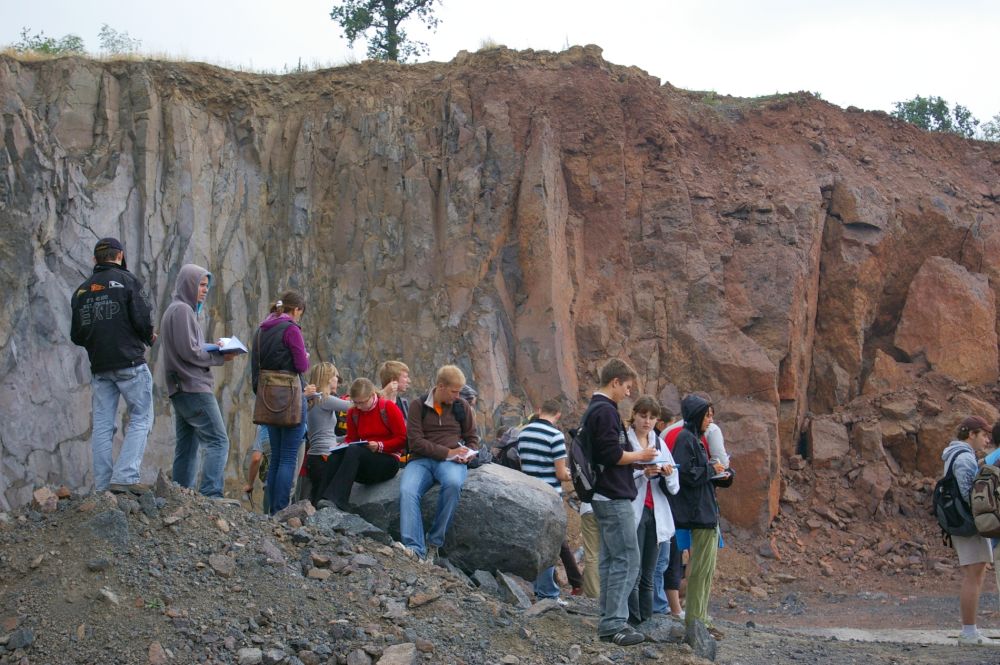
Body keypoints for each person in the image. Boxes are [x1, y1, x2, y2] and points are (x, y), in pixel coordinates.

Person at [70, 237, 156, 494]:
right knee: (142, 417)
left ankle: (102, 485)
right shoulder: (128, 282)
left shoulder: (81, 291)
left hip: (100, 366)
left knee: (103, 426)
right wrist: (148, 336)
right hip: (130, 362)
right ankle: (126, 475)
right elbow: (142, 319)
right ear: (119, 256)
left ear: (95, 260)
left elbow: (76, 335)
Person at [587, 358, 658, 646]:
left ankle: (608, 618)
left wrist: (638, 466)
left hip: (604, 494)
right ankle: (615, 623)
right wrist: (640, 457)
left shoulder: (597, 409)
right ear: (615, 382)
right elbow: (611, 455)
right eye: (627, 387)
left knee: (610, 560)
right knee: (628, 559)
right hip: (614, 496)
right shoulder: (605, 411)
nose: (628, 393)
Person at [160, 263, 238, 498]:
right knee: (218, 441)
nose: (204, 290)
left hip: (180, 388)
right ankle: (211, 495)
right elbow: (190, 352)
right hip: (193, 387)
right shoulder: (183, 310)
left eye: (206, 285)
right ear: (188, 284)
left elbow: (191, 347)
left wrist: (215, 346)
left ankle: (180, 494)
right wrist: (219, 355)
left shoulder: (174, 310)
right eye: (200, 285)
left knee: (188, 445)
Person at [399, 365, 479, 563]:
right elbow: (415, 441)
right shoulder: (418, 406)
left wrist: (468, 454)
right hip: (421, 460)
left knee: (453, 484)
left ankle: (434, 542)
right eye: (454, 391)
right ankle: (414, 548)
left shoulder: (462, 406)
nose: (457, 395)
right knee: (407, 490)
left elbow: (472, 438)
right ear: (441, 386)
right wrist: (447, 452)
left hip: (452, 461)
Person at [668, 394, 733, 634]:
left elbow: (697, 473)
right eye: (707, 415)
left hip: (706, 513)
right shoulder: (686, 439)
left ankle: (701, 619)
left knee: (706, 571)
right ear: (697, 415)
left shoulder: (694, 438)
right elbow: (687, 474)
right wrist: (711, 469)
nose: (710, 420)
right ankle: (696, 622)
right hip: (699, 515)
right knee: (700, 571)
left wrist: (722, 475)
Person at [251, 291, 311, 514]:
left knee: (275, 455)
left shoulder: (261, 329)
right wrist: (305, 356)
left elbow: (254, 366)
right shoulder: (291, 329)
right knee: (288, 456)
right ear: (296, 310)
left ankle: (270, 511)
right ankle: (280, 510)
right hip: (291, 397)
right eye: (299, 313)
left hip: (268, 397)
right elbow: (301, 365)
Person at [517, 399, 584, 602]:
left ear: (539, 410)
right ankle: (548, 592)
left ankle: (539, 587)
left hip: (529, 492)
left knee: (536, 542)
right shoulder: (555, 436)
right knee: (551, 544)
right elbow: (560, 473)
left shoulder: (523, 432)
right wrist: (574, 474)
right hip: (550, 496)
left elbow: (522, 463)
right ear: (558, 415)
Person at [942, 415, 997, 646]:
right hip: (969, 525)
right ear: (971, 434)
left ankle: (969, 630)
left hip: (960, 524)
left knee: (974, 574)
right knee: (974, 575)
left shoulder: (953, 453)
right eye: (983, 435)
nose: (987, 440)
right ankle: (969, 632)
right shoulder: (964, 457)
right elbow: (969, 495)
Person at [626, 396, 679, 625]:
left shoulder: (658, 442)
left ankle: (646, 620)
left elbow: (675, 484)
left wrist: (667, 474)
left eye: (651, 417)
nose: (647, 421)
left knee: (649, 571)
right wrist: (642, 474)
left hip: (655, 511)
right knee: (634, 572)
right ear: (634, 415)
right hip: (634, 511)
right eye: (643, 416)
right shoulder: (625, 442)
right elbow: (617, 477)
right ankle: (632, 619)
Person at [317, 377, 407, 510]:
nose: (359, 406)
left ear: (372, 395)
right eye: (355, 402)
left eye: (362, 402)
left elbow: (402, 439)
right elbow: (351, 440)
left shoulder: (388, 408)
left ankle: (339, 500)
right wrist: (340, 448)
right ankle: (321, 500)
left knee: (354, 450)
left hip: (388, 461)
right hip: (363, 461)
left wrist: (380, 446)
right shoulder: (354, 412)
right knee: (334, 457)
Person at [302, 362, 351, 505]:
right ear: (328, 378)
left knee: (317, 496)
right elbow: (353, 406)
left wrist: (345, 438)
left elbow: (325, 435)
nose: (337, 379)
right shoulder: (324, 398)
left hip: (316, 456)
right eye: (336, 376)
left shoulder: (313, 400)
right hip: (324, 457)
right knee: (322, 500)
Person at [243, 425, 271, 512]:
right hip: (290, 485)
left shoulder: (263, 425)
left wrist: (250, 484)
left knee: (270, 519)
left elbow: (256, 458)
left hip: (270, 484)